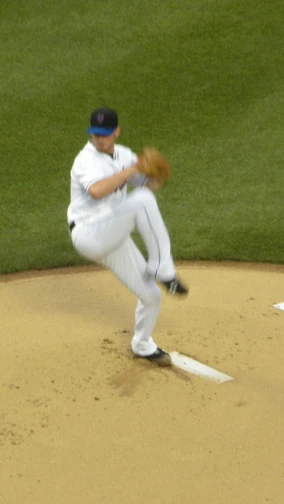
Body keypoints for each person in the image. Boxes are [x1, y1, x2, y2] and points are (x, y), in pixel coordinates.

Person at [67, 107, 188, 366]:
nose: (100, 139)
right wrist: (130, 172)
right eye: (95, 134)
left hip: (113, 234)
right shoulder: (85, 160)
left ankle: (143, 345)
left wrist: (156, 174)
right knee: (142, 201)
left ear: (116, 132)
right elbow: (97, 191)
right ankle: (162, 269)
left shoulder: (124, 155)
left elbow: (149, 186)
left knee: (151, 295)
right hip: (89, 233)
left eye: (105, 134)